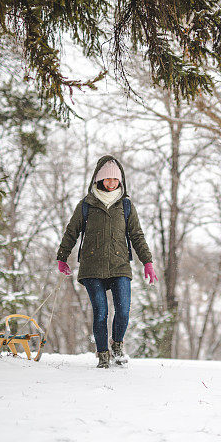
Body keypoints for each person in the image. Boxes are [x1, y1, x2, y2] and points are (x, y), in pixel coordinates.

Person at [56, 155, 158, 368]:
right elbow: (71, 232)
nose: (112, 183)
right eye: (108, 179)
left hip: (120, 265)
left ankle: (117, 345)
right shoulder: (86, 205)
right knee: (101, 312)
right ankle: (103, 354)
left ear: (120, 181)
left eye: (115, 180)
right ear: (99, 180)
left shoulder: (126, 206)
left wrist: (147, 262)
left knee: (123, 311)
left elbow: (137, 235)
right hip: (92, 267)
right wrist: (62, 257)